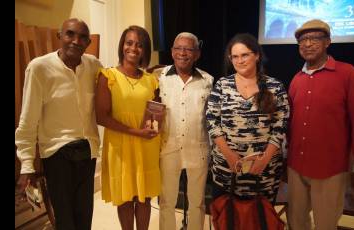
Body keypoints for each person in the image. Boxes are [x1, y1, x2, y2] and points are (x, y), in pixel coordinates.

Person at [15, 18, 102, 230]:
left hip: (87, 152)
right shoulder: (39, 68)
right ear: (59, 36)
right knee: (65, 220)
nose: (75, 41)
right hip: (56, 154)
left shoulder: (94, 66)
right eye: (70, 34)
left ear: (88, 42)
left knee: (84, 218)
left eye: (82, 37)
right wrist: (26, 165)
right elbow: (28, 119)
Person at [287, 19, 354, 230]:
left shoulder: (348, 74)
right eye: (302, 40)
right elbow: (290, 123)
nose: (307, 44)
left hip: (330, 169)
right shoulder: (296, 79)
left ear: (328, 42)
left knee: (326, 225)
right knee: (296, 222)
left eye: (314, 38)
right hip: (296, 165)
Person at [206, 33, 289, 204]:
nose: (240, 60)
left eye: (245, 55)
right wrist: (229, 155)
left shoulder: (275, 87)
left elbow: (281, 127)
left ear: (257, 55)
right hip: (227, 171)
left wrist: (264, 160)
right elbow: (212, 122)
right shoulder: (222, 85)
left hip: (264, 173)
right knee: (228, 221)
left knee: (259, 221)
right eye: (234, 56)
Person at [95, 25, 160, 230]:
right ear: (122, 46)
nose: (133, 48)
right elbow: (101, 117)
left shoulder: (151, 80)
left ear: (145, 50)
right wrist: (136, 132)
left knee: (144, 198)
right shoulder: (108, 76)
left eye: (139, 45)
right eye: (129, 43)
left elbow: (156, 113)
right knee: (125, 198)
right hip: (120, 145)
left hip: (146, 146)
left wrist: (154, 127)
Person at [156, 32, 214, 230]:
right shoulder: (159, 77)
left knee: (197, 203)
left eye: (189, 49)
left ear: (197, 54)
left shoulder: (208, 80)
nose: (183, 53)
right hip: (168, 148)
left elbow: (212, 118)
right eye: (178, 48)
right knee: (166, 202)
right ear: (172, 52)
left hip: (197, 150)